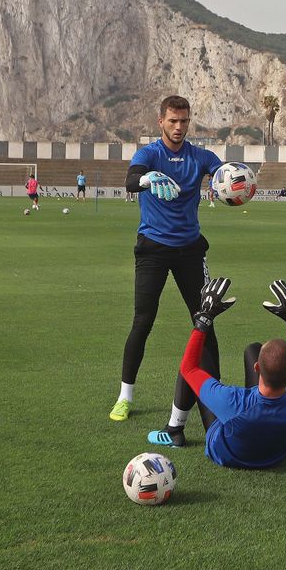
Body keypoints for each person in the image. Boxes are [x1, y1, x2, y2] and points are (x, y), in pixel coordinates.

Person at [110, 96, 226, 448]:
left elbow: (225, 173)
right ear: (160, 121)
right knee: (143, 321)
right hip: (153, 250)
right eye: (173, 121)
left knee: (205, 323)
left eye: (185, 121)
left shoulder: (199, 156)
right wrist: (146, 179)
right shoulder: (149, 154)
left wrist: (231, 182)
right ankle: (125, 396)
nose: (179, 127)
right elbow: (130, 179)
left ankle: (215, 400)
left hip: (190, 250)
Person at [158, 277, 286, 468]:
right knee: (253, 349)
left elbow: (189, 368)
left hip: (227, 453)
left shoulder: (233, 401)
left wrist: (204, 319)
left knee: (199, 357)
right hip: (275, 454)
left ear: (257, 368)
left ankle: (174, 429)